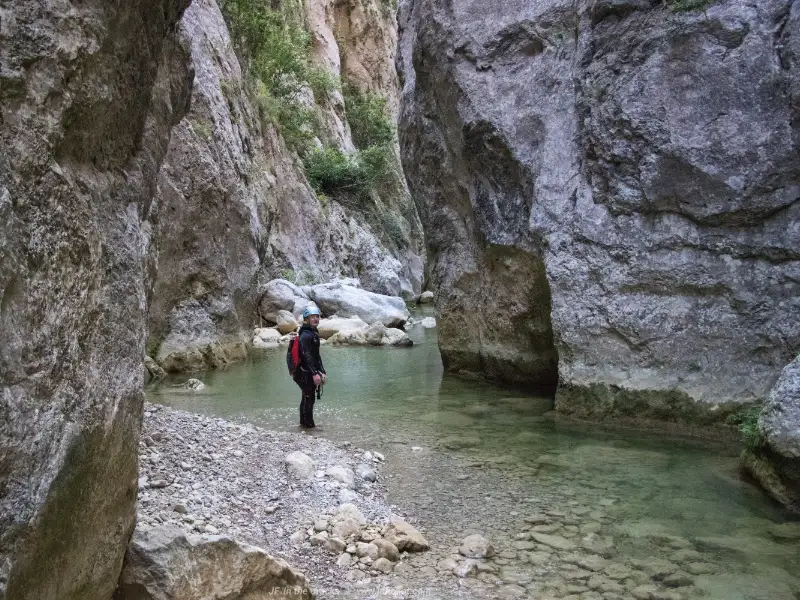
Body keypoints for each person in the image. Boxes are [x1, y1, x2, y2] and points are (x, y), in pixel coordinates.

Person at [294, 304, 326, 429]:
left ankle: (303, 424)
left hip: (307, 370)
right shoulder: (306, 335)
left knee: (306, 396)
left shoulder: (312, 333)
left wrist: (322, 371)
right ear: (306, 319)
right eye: (312, 317)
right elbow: (306, 356)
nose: (315, 319)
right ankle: (309, 426)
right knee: (309, 397)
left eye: (317, 316)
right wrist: (314, 373)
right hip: (304, 372)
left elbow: (316, 355)